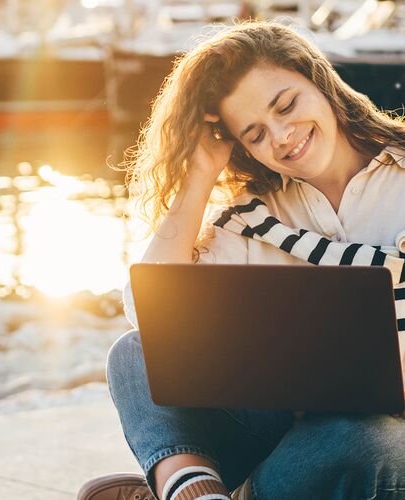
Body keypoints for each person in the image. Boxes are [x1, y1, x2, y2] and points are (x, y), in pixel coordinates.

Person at [78, 21, 405, 500]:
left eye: (286, 105)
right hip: (276, 431)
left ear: (319, 79)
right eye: (254, 134)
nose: (282, 137)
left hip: (373, 440)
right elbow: (150, 308)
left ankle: (198, 490)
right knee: (135, 353)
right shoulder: (255, 215)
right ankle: (198, 490)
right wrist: (199, 179)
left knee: (359, 439)